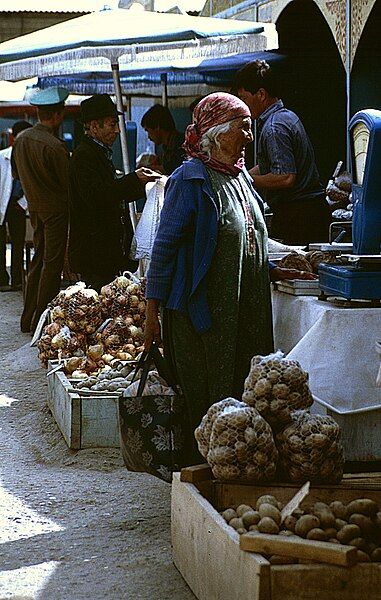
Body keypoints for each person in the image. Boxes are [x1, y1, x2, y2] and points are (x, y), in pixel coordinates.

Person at [144, 92, 316, 463]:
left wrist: (278, 263)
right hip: (201, 318)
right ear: (219, 132)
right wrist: (150, 312)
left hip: (242, 312)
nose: (249, 137)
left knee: (240, 405)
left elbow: (249, 237)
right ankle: (198, 481)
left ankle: (229, 473)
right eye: (243, 128)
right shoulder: (190, 180)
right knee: (209, 407)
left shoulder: (240, 179)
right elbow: (164, 248)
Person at [68, 94, 161, 292]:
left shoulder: (99, 153)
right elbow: (98, 196)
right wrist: (134, 179)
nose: (117, 131)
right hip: (94, 253)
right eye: (112, 125)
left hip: (105, 251)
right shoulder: (84, 156)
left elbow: (112, 193)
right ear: (94, 127)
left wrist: (143, 184)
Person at [233, 60, 332, 246]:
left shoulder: (274, 127)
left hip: (300, 214)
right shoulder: (285, 116)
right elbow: (266, 166)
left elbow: (286, 176)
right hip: (307, 211)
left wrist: (245, 181)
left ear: (261, 94)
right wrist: (238, 173)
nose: (242, 106)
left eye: (244, 99)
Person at [12, 87, 70, 333]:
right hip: (55, 209)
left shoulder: (22, 139)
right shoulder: (55, 146)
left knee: (37, 262)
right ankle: (41, 320)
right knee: (51, 264)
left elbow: (16, 174)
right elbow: (68, 185)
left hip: (34, 207)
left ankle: (28, 318)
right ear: (56, 115)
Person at [0, 120, 32, 292]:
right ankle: (2, 279)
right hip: (2, 203)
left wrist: (23, 204)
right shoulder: (2, 156)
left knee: (18, 243)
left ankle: (17, 280)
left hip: (18, 205)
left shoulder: (31, 156)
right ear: (14, 137)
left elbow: (33, 185)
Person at [141, 104, 186, 175]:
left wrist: (146, 169)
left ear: (157, 127)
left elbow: (171, 169)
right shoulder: (166, 148)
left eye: (148, 131)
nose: (149, 137)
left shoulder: (182, 144)